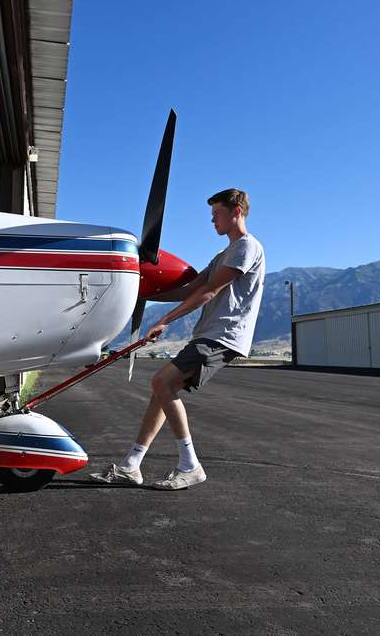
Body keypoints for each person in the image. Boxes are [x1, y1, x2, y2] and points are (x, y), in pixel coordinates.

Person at [91, 188, 265, 490]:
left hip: (222, 335)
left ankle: (190, 465)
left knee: (162, 383)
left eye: (217, 214)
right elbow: (190, 289)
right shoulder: (224, 254)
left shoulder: (246, 247)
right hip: (210, 333)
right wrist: (139, 291)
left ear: (236, 211)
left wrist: (164, 321)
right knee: (161, 392)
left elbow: (209, 292)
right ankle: (131, 466)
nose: (212, 221)